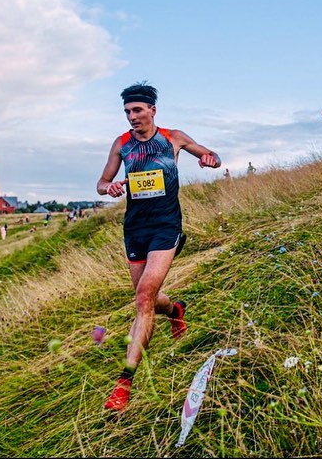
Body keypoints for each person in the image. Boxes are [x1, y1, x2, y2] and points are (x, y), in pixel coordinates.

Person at [96, 81, 221, 411]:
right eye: (127, 112)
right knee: (146, 296)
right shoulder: (121, 144)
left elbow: (212, 155)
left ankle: (124, 384)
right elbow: (101, 182)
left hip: (166, 226)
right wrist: (109, 187)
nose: (132, 117)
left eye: (137, 110)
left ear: (152, 110)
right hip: (135, 229)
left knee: (143, 297)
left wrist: (210, 160)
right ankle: (176, 311)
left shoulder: (172, 137)